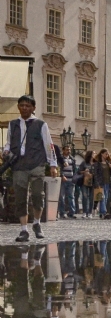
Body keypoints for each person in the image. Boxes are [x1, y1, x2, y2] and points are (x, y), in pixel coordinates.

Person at [3, 95, 58, 241]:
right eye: (21, 105)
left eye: (27, 105)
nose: (24, 108)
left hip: (36, 164)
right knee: (20, 198)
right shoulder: (12, 124)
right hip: (19, 166)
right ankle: (24, 230)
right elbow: (8, 143)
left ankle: (37, 223)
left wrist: (53, 164)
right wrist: (6, 151)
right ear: (18, 107)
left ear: (33, 108)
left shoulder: (41, 124)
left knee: (37, 196)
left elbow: (49, 145)